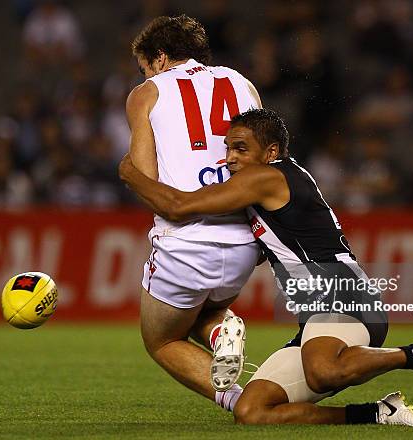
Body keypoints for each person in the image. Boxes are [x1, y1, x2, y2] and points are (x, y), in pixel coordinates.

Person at [119, 108, 413, 426]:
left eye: (241, 148)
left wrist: (132, 173)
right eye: (228, 148)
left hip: (343, 296)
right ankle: (378, 413)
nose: (229, 158)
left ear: (272, 151)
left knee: (322, 369)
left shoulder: (266, 176)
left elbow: (178, 206)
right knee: (252, 410)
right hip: (316, 313)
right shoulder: (273, 182)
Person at [126, 15, 263, 413]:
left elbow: (148, 183)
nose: (145, 74)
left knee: (162, 340)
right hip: (243, 240)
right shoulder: (242, 83)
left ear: (161, 57)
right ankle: (222, 331)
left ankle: (239, 401)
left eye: (145, 66)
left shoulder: (147, 93)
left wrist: (126, 172)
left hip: (184, 243)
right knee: (206, 308)